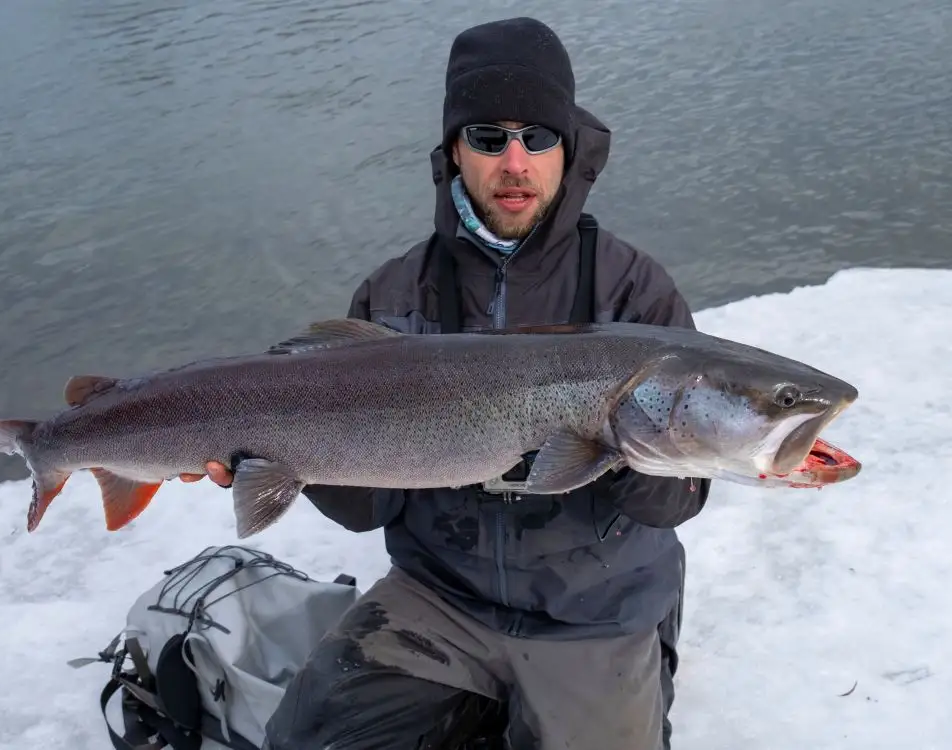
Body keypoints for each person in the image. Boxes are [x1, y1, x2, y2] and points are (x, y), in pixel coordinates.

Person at [182, 16, 711, 750]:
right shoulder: (394, 295)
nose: (515, 162)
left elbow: (677, 502)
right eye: (489, 139)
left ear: (570, 146)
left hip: (596, 609)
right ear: (455, 151)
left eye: (538, 136)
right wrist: (287, 457)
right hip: (439, 599)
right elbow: (369, 512)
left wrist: (616, 444)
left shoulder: (634, 296)